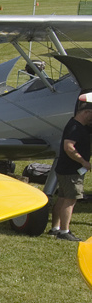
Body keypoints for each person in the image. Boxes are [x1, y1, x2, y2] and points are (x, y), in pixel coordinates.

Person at [50, 93, 92, 241]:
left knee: (62, 198)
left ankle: (55, 228)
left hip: (65, 169)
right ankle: (64, 232)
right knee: (70, 200)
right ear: (86, 112)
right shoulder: (75, 127)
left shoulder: (79, 126)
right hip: (71, 170)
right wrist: (83, 162)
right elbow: (69, 147)